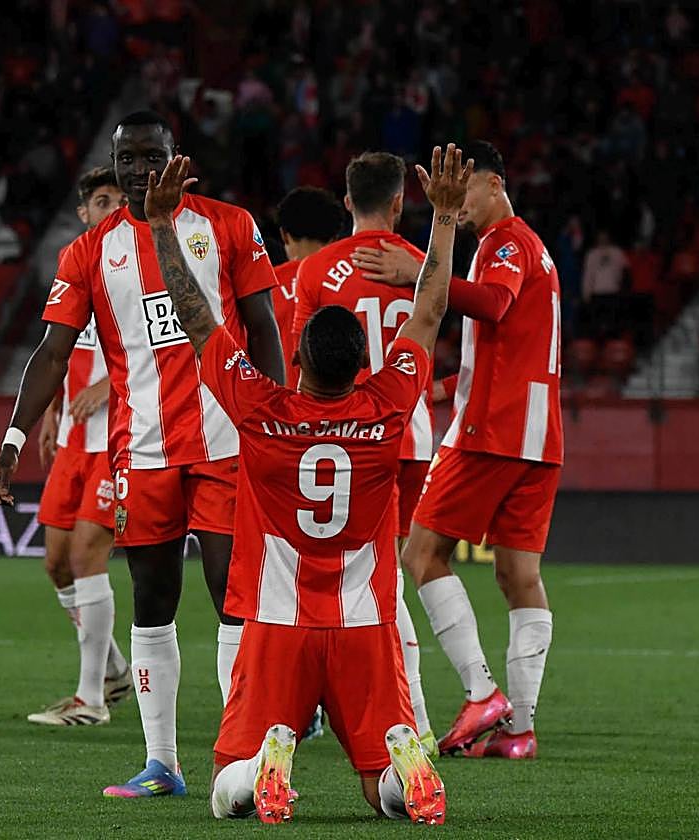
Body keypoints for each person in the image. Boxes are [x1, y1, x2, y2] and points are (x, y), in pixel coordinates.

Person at [133, 146, 467, 824]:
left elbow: (197, 320)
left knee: (227, 789)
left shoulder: (263, 409)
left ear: (299, 358)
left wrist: (163, 227)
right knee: (381, 793)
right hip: (365, 629)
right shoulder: (387, 405)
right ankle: (402, 769)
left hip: (278, 625)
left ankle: (262, 766)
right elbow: (429, 311)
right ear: (364, 362)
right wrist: (447, 219)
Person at [0, 111, 284, 798]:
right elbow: (52, 352)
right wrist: (8, 442)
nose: (140, 170)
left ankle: (245, 756)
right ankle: (162, 763)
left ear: (179, 158)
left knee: (229, 590)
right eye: (128, 160)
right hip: (143, 451)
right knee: (153, 598)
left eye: (152, 156)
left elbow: (264, 324)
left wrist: (276, 417)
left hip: (227, 440)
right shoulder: (88, 251)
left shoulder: (229, 225)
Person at [359, 142, 562, 759]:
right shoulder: (530, 247)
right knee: (517, 575)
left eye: (463, 189)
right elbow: (509, 340)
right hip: (537, 435)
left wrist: (418, 270)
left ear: (495, 183)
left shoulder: (505, 242)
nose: (456, 202)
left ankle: (481, 693)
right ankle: (519, 730)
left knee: (421, 556)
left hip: (491, 432)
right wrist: (443, 385)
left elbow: (494, 304)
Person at [293, 151, 438, 755]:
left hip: (346, 438)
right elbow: (434, 324)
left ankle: (394, 718)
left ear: (346, 202)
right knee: (389, 576)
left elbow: (303, 364)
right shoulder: (422, 267)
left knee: (350, 581)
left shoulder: (316, 270)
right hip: (411, 431)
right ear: (401, 203)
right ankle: (408, 720)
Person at [28, 167, 132, 726]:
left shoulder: (143, 266)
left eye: (118, 198)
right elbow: (57, 349)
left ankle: (91, 700)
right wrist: (49, 412)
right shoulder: (73, 269)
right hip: (72, 439)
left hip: (119, 442)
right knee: (55, 564)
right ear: (83, 212)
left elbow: (172, 350)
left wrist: (109, 384)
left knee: (87, 555)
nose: (111, 206)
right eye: (101, 199)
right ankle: (113, 667)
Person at [272, 186, 345, 385]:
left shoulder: (265, 287)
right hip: (344, 408)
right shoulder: (349, 281)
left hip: (280, 408)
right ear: (333, 238)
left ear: (284, 235)